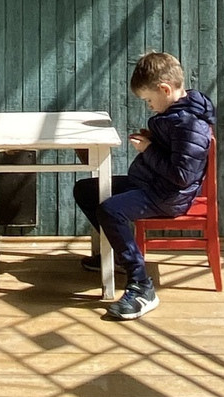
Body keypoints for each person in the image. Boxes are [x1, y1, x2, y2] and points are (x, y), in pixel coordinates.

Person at [73, 51, 215, 321]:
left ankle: (141, 287)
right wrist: (155, 141)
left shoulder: (189, 123)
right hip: (152, 183)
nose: (149, 106)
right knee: (86, 189)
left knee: (110, 210)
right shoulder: (177, 114)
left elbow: (182, 175)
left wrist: (149, 149)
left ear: (165, 89)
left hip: (168, 195)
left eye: (149, 100)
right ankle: (119, 255)